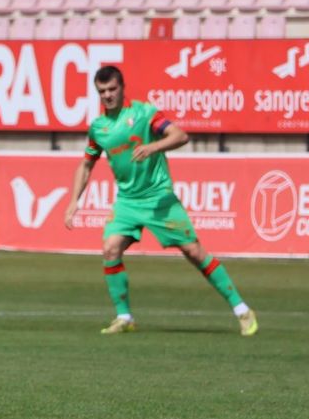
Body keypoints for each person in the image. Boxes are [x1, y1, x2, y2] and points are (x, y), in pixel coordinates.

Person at [62, 66, 257, 336]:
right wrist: (74, 201)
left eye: (112, 89)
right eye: (102, 91)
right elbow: (86, 165)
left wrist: (152, 146)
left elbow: (180, 135)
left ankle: (242, 310)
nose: (107, 95)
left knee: (194, 252)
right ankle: (124, 316)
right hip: (128, 201)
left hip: (159, 197)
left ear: (122, 87)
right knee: (110, 249)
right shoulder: (99, 128)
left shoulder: (144, 114)